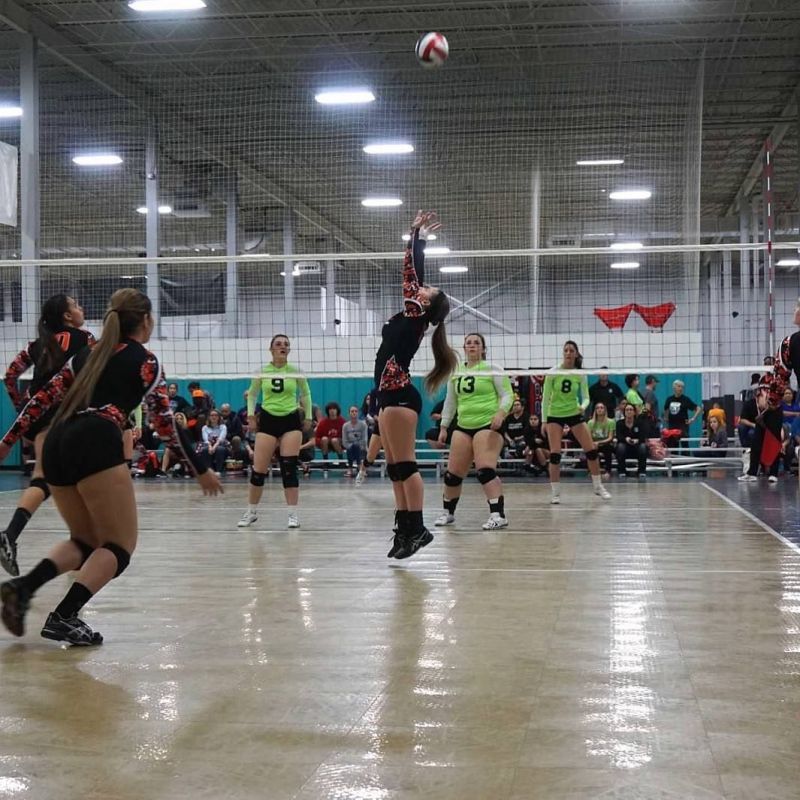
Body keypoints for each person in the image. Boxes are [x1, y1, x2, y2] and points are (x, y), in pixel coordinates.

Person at [0, 289, 220, 645]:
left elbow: (37, 404)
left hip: (55, 440)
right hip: (96, 438)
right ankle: (64, 616)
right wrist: (199, 467)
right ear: (146, 321)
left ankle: (22, 588)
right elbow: (165, 423)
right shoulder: (146, 361)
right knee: (118, 547)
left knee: (85, 541)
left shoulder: (85, 355)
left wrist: (6, 444)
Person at [375, 209, 458, 559]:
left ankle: (418, 527)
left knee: (405, 466)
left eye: (426, 289)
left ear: (424, 302)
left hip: (399, 398)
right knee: (395, 468)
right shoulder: (413, 317)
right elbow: (414, 278)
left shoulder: (415, 315)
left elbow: (411, 273)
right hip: (387, 397)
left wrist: (416, 238)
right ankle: (405, 529)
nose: (420, 288)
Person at [0, 295, 95, 577]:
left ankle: (12, 534)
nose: (82, 308)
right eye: (76, 305)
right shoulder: (85, 338)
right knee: (78, 478)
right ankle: (81, 545)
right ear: (67, 317)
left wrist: (22, 406)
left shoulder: (38, 344)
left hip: (38, 416)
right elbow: (94, 373)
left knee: (44, 479)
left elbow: (10, 376)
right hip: (69, 415)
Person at [435, 333, 513, 530]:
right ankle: (448, 513)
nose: (472, 346)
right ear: (464, 348)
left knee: (485, 471)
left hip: (488, 424)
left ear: (483, 349)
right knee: (452, 475)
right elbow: (450, 402)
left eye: (476, 343)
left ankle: (498, 515)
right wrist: (444, 427)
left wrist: (500, 414)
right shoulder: (456, 372)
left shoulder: (492, 369)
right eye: (468, 343)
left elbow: (507, 395)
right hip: (463, 425)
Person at [238, 334, 312, 529]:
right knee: (259, 470)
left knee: (289, 468)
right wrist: (252, 416)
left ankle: (293, 515)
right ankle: (251, 512)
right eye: (278, 344)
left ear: (289, 350)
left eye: (286, 344)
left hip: (290, 419)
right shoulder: (262, 372)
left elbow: (306, 394)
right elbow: (252, 394)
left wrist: (309, 417)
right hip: (268, 419)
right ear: (271, 349)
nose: (283, 347)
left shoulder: (295, 372)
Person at [542, 341, 611, 504]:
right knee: (555, 454)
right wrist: (544, 420)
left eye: (571, 350)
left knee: (591, 450)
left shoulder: (580, 373)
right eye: (565, 350)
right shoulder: (553, 372)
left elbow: (586, 397)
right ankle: (555, 493)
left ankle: (597, 486)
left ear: (576, 354)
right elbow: (545, 398)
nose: (568, 353)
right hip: (555, 414)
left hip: (574, 412)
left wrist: (583, 406)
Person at [662, 380, 700, 449]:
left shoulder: (686, 399)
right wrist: (666, 419)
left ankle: (685, 459)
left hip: (683, 426)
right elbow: (666, 411)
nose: (681, 388)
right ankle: (673, 459)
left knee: (685, 446)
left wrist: (693, 419)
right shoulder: (669, 399)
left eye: (682, 387)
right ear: (674, 387)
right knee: (673, 447)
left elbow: (698, 408)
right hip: (672, 426)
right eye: (679, 386)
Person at [615, 402, 648, 479]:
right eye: (627, 410)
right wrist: (626, 439)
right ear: (624, 412)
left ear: (634, 412)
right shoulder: (619, 423)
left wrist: (637, 440)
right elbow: (619, 436)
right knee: (620, 446)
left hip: (637, 447)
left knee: (643, 446)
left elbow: (643, 436)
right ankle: (622, 471)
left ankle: (641, 471)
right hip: (625, 448)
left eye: (631, 409)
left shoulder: (640, 423)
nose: (629, 411)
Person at [587, 402, 615, 478]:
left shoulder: (611, 422)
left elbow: (610, 438)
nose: (599, 409)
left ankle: (608, 471)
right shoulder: (590, 423)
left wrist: (598, 443)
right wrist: (594, 443)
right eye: (597, 408)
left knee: (607, 448)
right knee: (590, 449)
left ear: (605, 410)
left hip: (606, 443)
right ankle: (593, 471)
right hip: (594, 443)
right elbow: (588, 437)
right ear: (595, 410)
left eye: (601, 408)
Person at [342, 405, 369, 478]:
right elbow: (344, 440)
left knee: (356, 446)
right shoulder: (345, 426)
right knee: (351, 448)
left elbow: (364, 438)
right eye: (352, 411)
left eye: (356, 411)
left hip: (361, 446)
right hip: (350, 447)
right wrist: (349, 445)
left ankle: (359, 466)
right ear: (349, 413)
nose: (354, 413)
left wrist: (359, 445)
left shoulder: (363, 425)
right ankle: (350, 468)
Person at [200, 409, 230, 473]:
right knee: (205, 450)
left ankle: (219, 470)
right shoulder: (205, 428)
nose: (214, 417)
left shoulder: (223, 427)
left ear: (219, 417)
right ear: (209, 417)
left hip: (220, 444)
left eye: (216, 415)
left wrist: (214, 447)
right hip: (208, 444)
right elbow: (205, 439)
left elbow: (221, 439)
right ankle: (209, 471)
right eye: (212, 415)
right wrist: (210, 447)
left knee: (219, 449)